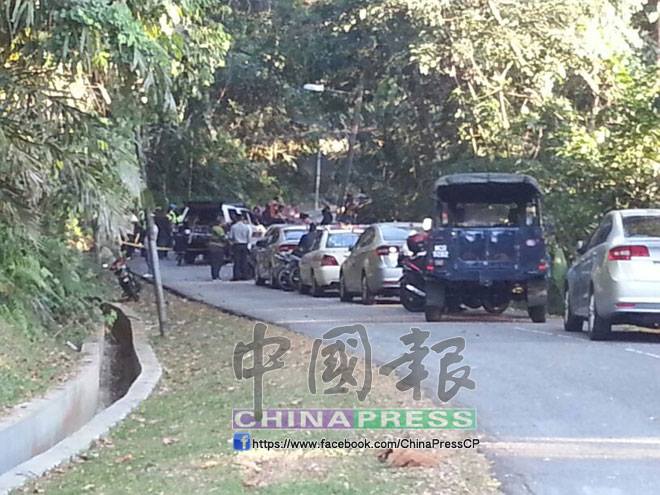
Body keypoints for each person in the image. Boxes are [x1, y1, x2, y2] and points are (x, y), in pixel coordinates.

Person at [230, 214, 252, 281]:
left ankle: (237, 276)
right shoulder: (246, 227)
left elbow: (231, 237)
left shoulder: (233, 227)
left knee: (237, 261)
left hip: (237, 245)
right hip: (244, 245)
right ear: (242, 219)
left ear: (236, 219)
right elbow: (249, 238)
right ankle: (245, 275)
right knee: (244, 261)